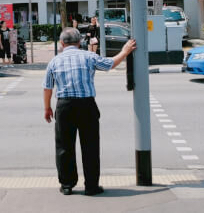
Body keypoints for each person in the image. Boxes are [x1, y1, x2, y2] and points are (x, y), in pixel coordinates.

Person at [42, 27, 136, 196]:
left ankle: (67, 185)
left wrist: (47, 107)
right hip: (87, 106)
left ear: (62, 43)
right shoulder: (88, 56)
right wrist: (125, 51)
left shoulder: (54, 61)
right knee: (90, 146)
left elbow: (47, 88)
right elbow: (110, 64)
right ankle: (91, 186)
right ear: (79, 42)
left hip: (64, 107)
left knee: (64, 146)